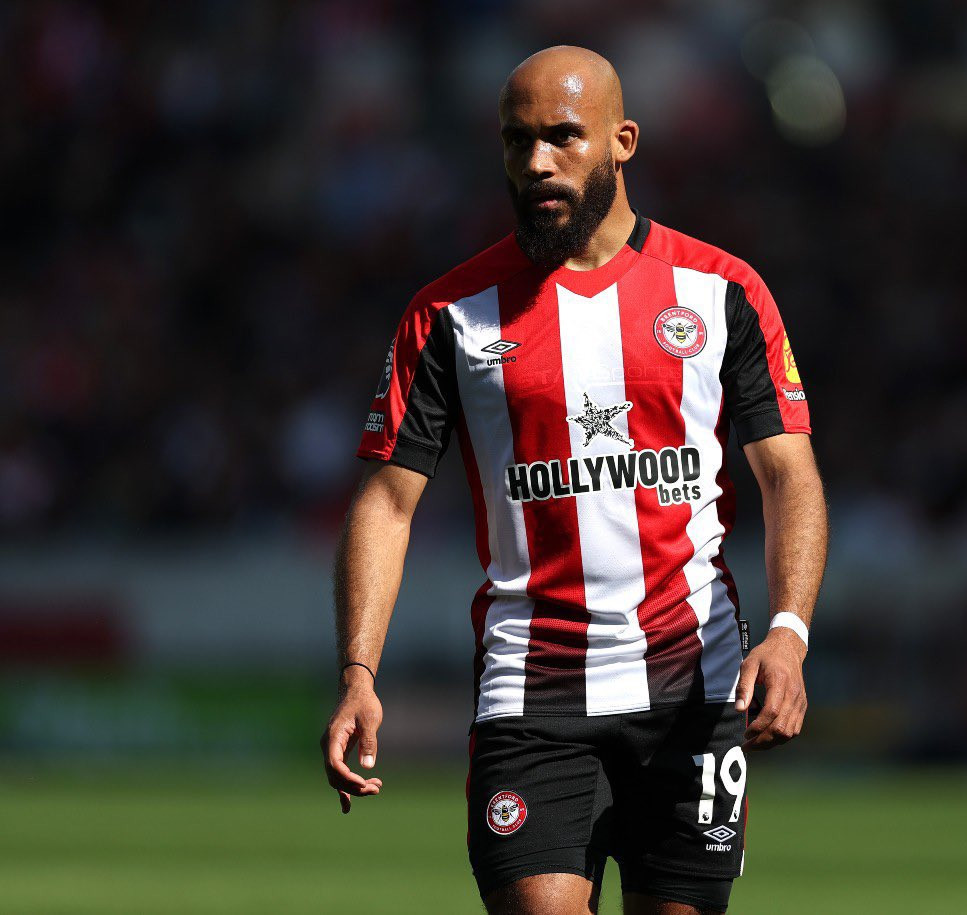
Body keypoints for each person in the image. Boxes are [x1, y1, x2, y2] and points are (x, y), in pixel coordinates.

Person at [320, 45, 828, 915]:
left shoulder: (721, 291)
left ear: (623, 141)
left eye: (562, 136)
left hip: (694, 684)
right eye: (517, 141)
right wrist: (358, 671)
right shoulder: (449, 315)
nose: (537, 162)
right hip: (533, 688)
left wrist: (788, 632)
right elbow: (386, 503)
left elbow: (790, 477)